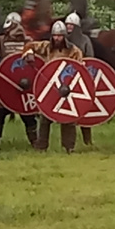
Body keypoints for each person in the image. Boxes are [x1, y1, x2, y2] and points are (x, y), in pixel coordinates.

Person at [0, 11, 39, 148]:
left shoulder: (27, 42)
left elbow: (38, 56)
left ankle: (35, 141)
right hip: (5, 82)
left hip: (24, 84)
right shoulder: (1, 40)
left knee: (27, 114)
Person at [24, 20, 83, 153]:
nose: (57, 38)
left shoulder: (74, 51)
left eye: (60, 36)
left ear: (64, 36)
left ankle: (69, 147)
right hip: (50, 87)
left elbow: (79, 70)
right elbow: (29, 46)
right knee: (45, 118)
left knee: (68, 118)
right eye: (55, 35)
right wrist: (29, 54)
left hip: (67, 88)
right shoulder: (46, 47)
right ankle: (41, 146)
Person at [64, 12, 96, 147]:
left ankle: (87, 140)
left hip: (80, 79)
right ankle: (68, 142)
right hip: (65, 78)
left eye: (72, 25)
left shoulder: (84, 40)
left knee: (83, 109)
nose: (69, 27)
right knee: (67, 111)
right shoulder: (62, 40)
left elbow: (90, 59)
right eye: (67, 25)